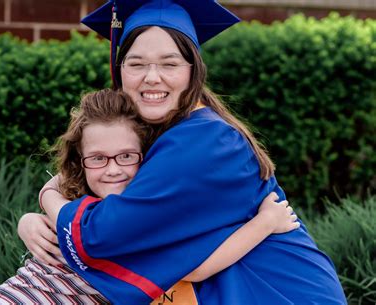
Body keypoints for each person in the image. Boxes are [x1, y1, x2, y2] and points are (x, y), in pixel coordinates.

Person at [18, 0, 347, 304]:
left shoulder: (205, 144)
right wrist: (31, 220)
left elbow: (101, 236)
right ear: (120, 70)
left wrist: (48, 197)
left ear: (193, 71)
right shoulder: (167, 130)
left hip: (276, 292)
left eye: (169, 63)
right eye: (137, 64)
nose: (152, 77)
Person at [0, 89, 298, 304]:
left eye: (126, 156)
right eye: (98, 158)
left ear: (148, 157)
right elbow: (196, 268)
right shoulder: (90, 207)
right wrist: (266, 222)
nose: (112, 170)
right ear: (80, 162)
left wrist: (46, 198)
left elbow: (194, 264)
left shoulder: (134, 215)